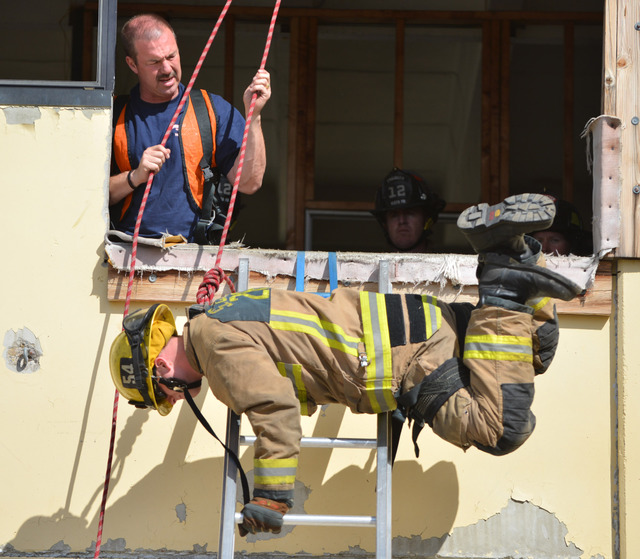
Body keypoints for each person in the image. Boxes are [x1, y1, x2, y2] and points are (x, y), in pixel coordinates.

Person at [110, 193, 583, 536]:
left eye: (164, 394)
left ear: (158, 371)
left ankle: (501, 285)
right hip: (413, 320)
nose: (175, 397)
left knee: (501, 427)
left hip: (404, 357)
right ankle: (516, 255)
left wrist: (271, 496)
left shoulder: (214, 348)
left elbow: (273, 406)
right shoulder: (224, 314)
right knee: (531, 354)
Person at [109, 14, 270, 244]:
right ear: (132, 64)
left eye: (171, 56)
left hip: (193, 258)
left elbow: (249, 183)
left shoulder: (211, 110)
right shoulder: (113, 116)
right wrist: (135, 176)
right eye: (154, 62)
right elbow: (91, 195)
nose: (166, 68)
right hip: (124, 254)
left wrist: (254, 116)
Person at [370, 168, 446, 253]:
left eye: (410, 213)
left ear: (426, 219)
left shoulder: (446, 265)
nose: (402, 221)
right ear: (385, 224)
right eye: (394, 215)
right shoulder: (376, 266)